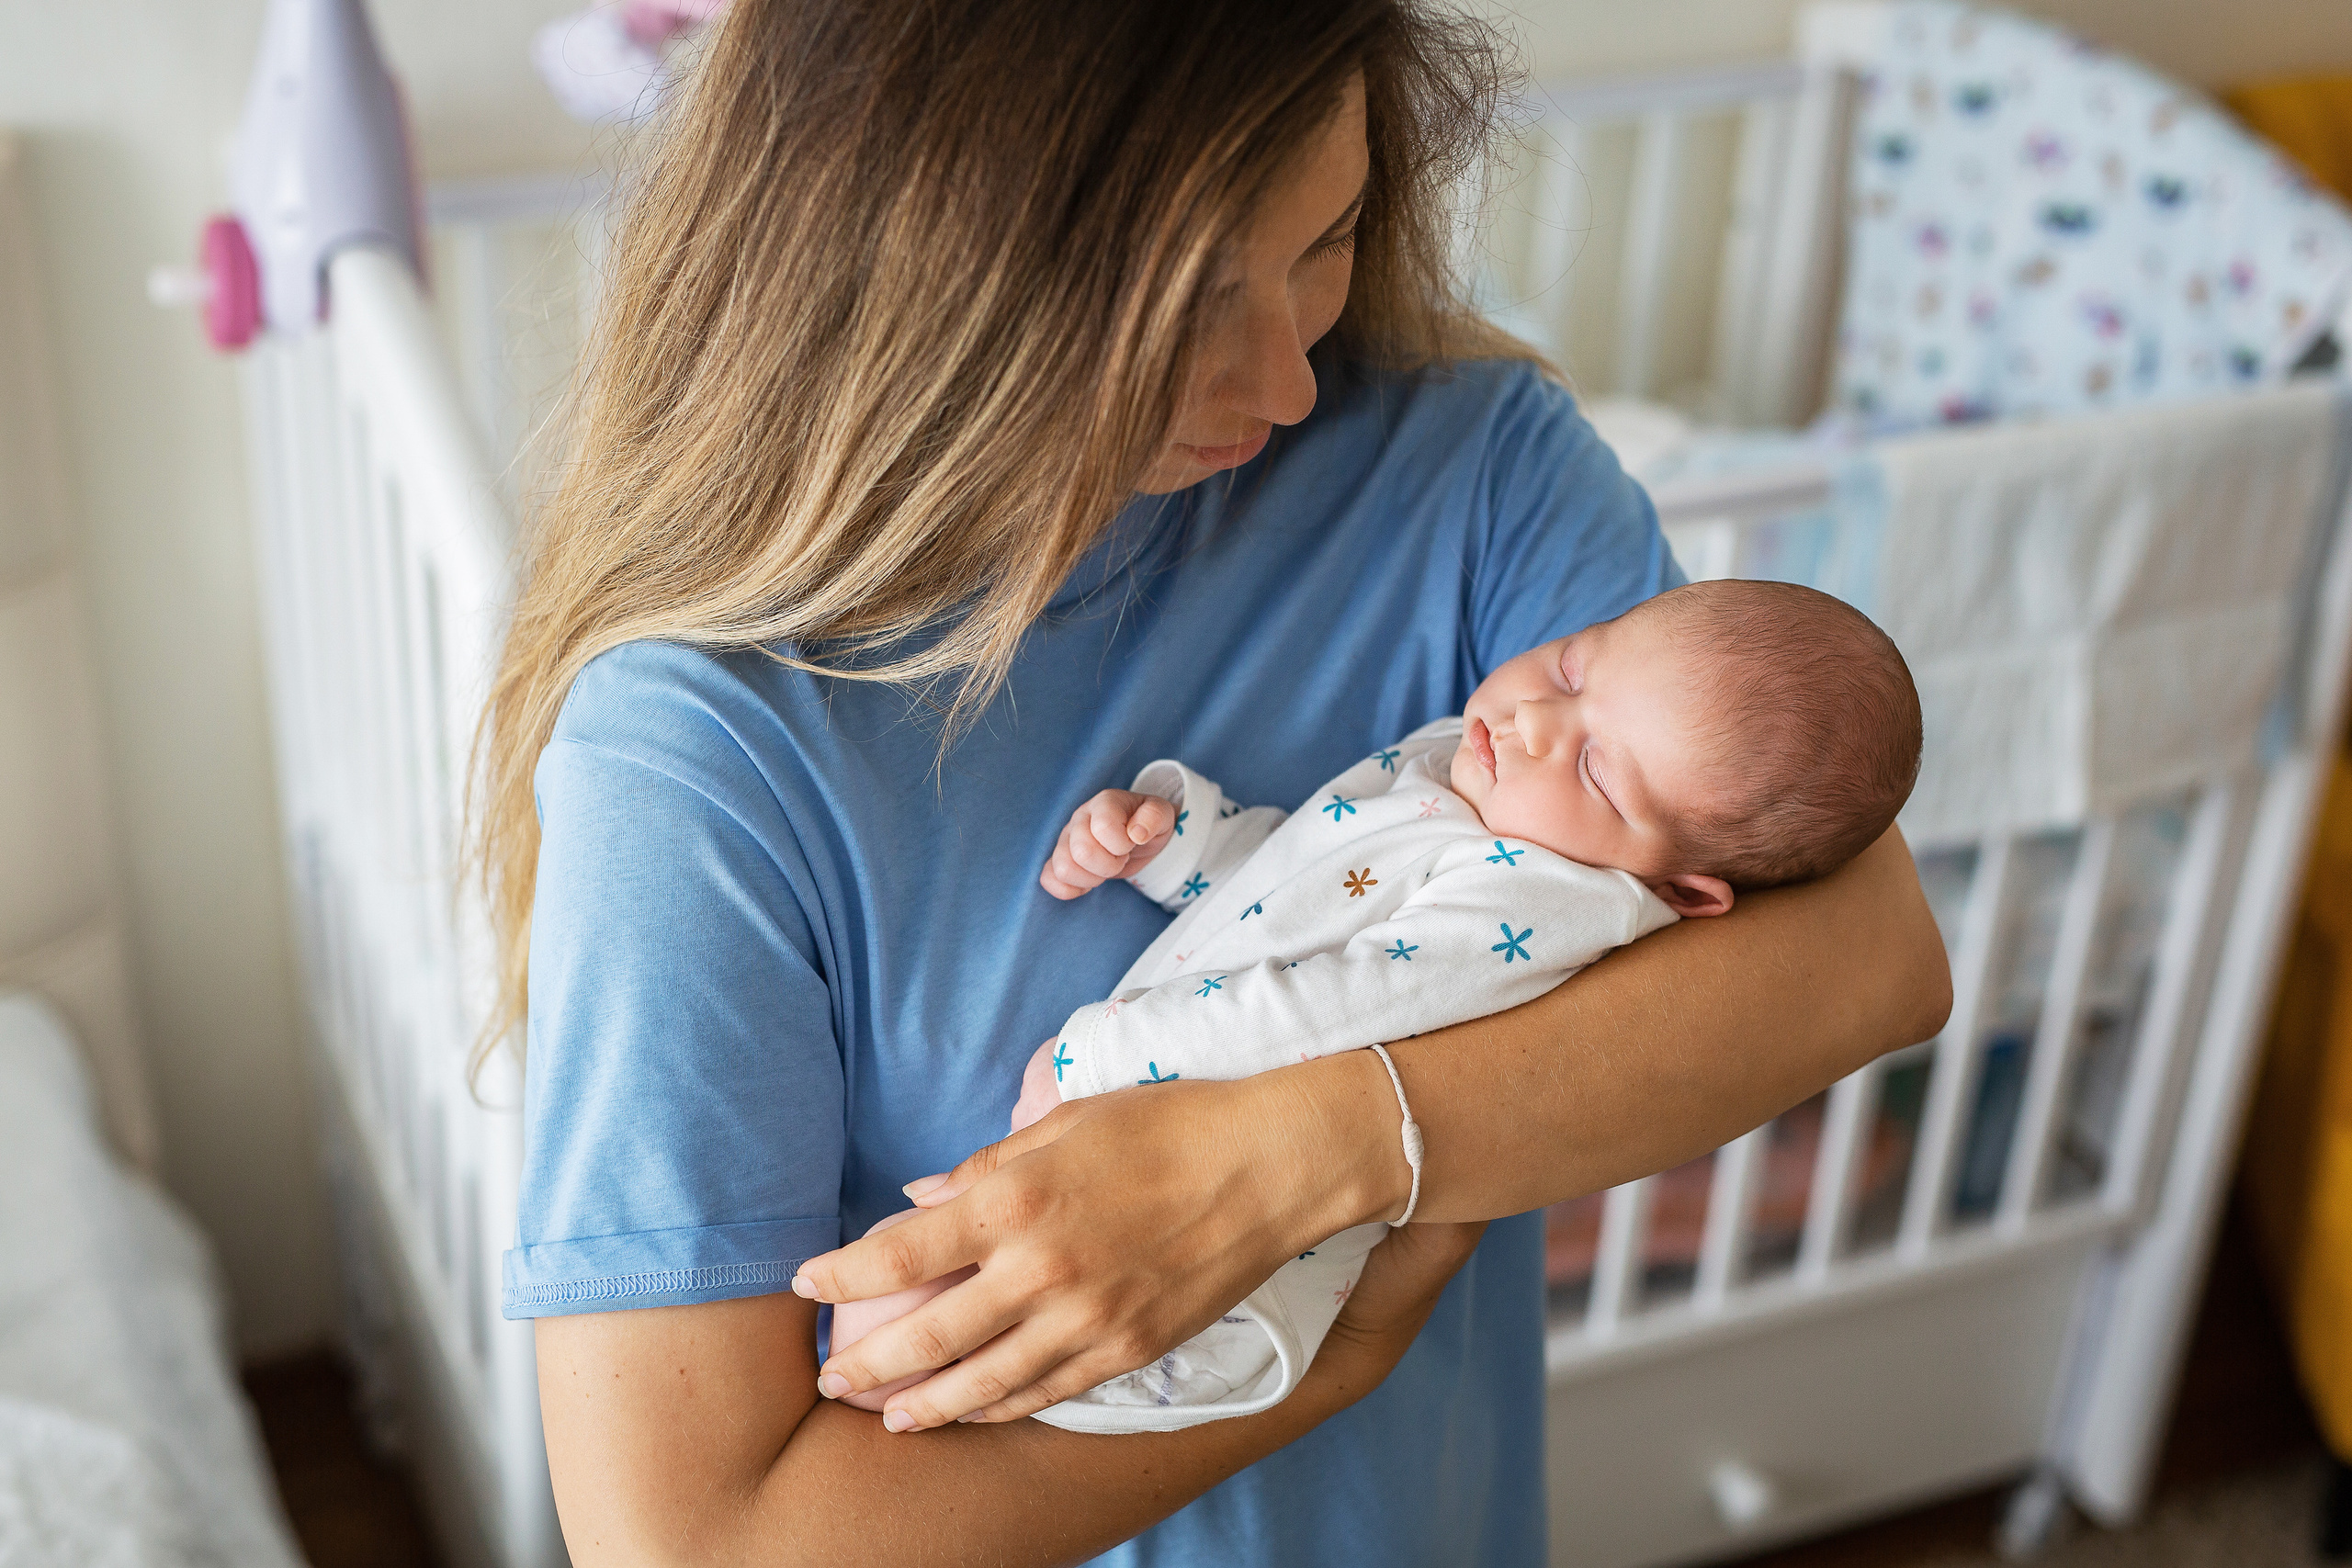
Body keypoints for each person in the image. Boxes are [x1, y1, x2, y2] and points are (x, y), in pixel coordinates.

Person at [477, 2, 1953, 1563]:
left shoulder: (1475, 472)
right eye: (1189, 301)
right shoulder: (703, 743)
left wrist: (1304, 1154)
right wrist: (1329, 1358)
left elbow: (1870, 954)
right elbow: (690, 1541)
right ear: (929, 285)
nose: (1288, 380)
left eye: (1329, 242)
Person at [828, 580, 1925, 1430]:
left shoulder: (1543, 897)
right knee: (883, 1326)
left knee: (889, 1345)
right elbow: (1300, 891)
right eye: (1573, 665)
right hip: (1140, 1177)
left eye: (1595, 769)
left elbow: (1336, 1012)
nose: (1537, 717)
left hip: (1223, 1291)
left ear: (1682, 891)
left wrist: (1105, 1058)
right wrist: (1178, 842)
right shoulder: (1467, 778)